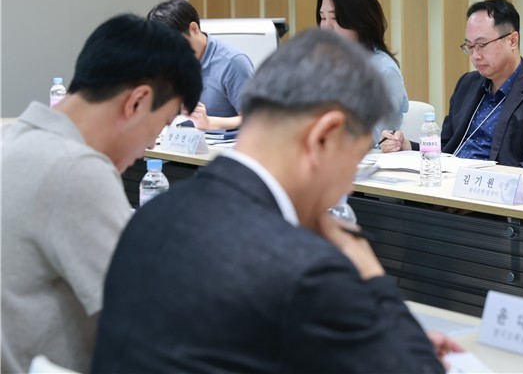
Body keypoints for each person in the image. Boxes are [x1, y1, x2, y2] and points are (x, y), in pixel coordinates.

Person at [91, 29, 462, 373]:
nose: (348, 186)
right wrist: (369, 269)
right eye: (357, 157)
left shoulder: (151, 216)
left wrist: (372, 340)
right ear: (324, 136)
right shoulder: (308, 269)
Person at [1, 14, 203, 373]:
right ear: (137, 102)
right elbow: (150, 314)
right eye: (162, 125)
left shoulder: (14, 141)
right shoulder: (75, 170)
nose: (150, 146)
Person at [381, 0, 523, 170]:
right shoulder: (467, 84)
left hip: (491, 187)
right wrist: (406, 145)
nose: (475, 55)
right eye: (469, 46)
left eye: (482, 45)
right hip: (448, 180)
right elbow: (446, 147)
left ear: (512, 40)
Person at [317, 0, 409, 143]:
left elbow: (370, 137)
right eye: (323, 18)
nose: (327, 27)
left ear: (359, 21)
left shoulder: (384, 72)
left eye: (335, 18)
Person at [147, 0, 254, 130]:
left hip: (220, 140)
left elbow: (254, 118)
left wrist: (208, 123)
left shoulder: (233, 62)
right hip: (178, 138)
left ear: (194, 29)